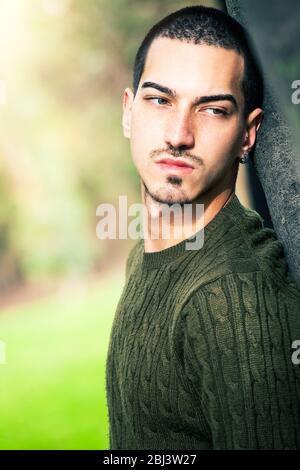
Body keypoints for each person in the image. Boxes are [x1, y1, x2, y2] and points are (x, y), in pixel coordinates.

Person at [105, 5, 300, 450]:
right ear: (129, 112)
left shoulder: (233, 299)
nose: (178, 134)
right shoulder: (154, 250)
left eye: (212, 110)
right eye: (159, 99)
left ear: (248, 135)